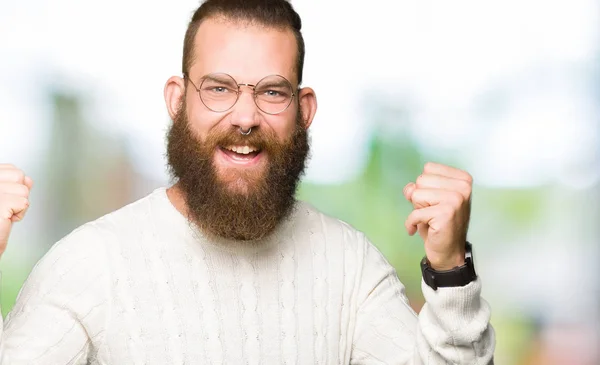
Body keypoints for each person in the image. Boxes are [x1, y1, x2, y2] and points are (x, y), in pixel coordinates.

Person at [0, 0, 495, 363]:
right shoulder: (90, 263)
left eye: (271, 93)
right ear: (178, 100)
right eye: (219, 88)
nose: (245, 117)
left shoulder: (350, 268)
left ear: (303, 112)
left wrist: (450, 268)